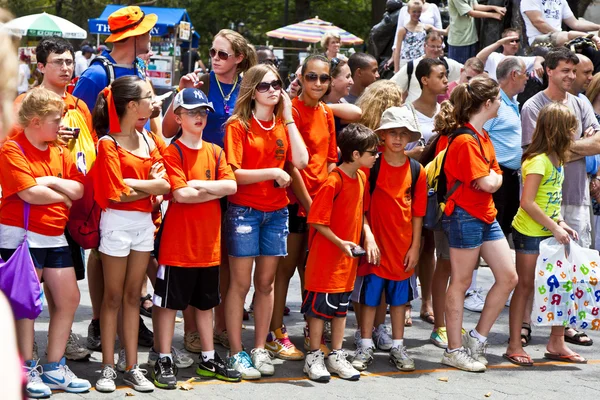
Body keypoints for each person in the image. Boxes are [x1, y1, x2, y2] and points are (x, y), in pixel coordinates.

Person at [163, 29, 257, 352]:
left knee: (223, 260)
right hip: (196, 170)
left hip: (234, 177)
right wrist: (181, 92)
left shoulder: (249, 86)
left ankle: (218, 327)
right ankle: (191, 330)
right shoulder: (199, 82)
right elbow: (167, 129)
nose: (214, 59)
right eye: (213, 53)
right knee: (192, 259)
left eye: (222, 54)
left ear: (239, 59)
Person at [73, 5, 159, 353]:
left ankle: (130, 318)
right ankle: (98, 320)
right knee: (99, 248)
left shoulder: (136, 68)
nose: (152, 36)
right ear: (133, 37)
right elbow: (79, 121)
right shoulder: (97, 73)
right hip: (109, 174)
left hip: (140, 169)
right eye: (147, 31)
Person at [0, 88, 90, 396]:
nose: (61, 123)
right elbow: (28, 193)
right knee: (25, 306)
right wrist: (59, 193)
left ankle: (54, 367)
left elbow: (78, 190)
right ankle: (25, 368)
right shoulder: (11, 149)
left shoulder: (58, 149)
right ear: (37, 121)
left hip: (54, 236)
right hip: (22, 237)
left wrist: (50, 182)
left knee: (68, 299)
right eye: (56, 118)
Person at [11, 37, 96, 363]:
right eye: (58, 62)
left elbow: (87, 154)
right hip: (33, 212)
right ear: (41, 66)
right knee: (29, 287)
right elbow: (15, 150)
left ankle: (59, 344)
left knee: (67, 283)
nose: (66, 67)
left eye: (69, 61)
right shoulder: (25, 104)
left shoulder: (79, 106)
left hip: (73, 206)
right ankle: (25, 350)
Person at [224, 64, 309, 378]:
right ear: (251, 90)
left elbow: (301, 160)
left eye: (277, 84)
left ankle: (259, 347)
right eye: (264, 86)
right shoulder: (238, 124)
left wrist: (287, 116)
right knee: (240, 284)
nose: (273, 90)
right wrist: (272, 172)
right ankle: (236, 351)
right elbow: (233, 174)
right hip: (244, 212)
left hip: (276, 213)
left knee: (266, 284)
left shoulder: (283, 123)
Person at [151, 88, 239, 388]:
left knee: (205, 304)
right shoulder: (172, 151)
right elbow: (181, 194)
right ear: (178, 117)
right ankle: (163, 356)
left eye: (202, 111)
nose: (199, 117)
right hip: (177, 244)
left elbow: (231, 187)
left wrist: (200, 184)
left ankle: (208, 356)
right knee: (167, 305)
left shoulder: (215, 151)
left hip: (209, 246)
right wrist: (207, 188)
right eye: (191, 112)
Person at [92, 76, 170, 393]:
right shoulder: (107, 142)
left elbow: (165, 185)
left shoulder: (149, 139)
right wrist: (147, 188)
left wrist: (134, 185)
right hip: (115, 224)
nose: (154, 102)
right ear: (132, 105)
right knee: (112, 297)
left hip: (142, 227)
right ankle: (108, 367)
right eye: (148, 97)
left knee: (132, 297)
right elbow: (114, 194)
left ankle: (131, 366)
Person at [521, 47, 600, 346]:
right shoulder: (532, 106)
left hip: (577, 195)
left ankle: (565, 327)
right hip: (542, 201)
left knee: (572, 267)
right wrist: (580, 145)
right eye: (564, 70)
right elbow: (536, 153)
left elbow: (597, 142)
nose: (570, 75)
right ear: (549, 71)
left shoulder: (581, 103)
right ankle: (525, 322)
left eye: (573, 70)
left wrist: (566, 148)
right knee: (532, 267)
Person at [440, 76, 518, 372]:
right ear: (487, 104)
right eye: (498, 99)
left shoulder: (481, 136)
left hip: (484, 215)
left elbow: (494, 175)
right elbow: (488, 181)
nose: (501, 104)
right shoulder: (465, 139)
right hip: (465, 215)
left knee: (508, 276)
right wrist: (493, 180)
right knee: (460, 281)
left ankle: (476, 338)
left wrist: (492, 180)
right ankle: (454, 349)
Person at [268, 54, 337, 360]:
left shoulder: (327, 112)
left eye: (324, 78)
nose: (318, 83)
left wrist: (326, 200)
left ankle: (312, 328)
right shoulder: (289, 111)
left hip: (321, 204)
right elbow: (290, 164)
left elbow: (331, 158)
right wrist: (311, 206)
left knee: (313, 271)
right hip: (296, 204)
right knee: (284, 269)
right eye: (312, 77)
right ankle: (275, 331)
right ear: (302, 77)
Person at [506, 102, 585, 366]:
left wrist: (561, 221)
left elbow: (551, 199)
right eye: (571, 129)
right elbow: (527, 202)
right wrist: (554, 227)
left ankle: (556, 342)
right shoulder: (537, 160)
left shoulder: (558, 159)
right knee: (525, 288)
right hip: (529, 233)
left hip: (550, 232)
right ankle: (514, 344)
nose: (574, 133)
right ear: (558, 130)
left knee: (562, 286)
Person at [350, 106, 427, 373]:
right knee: (369, 298)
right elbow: (362, 207)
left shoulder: (417, 170)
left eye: (403, 134)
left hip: (403, 247)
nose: (397, 138)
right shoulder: (372, 166)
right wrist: (368, 236)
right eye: (392, 132)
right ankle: (365, 343)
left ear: (410, 138)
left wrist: (415, 246)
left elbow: (418, 213)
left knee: (399, 301)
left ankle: (397, 345)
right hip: (375, 248)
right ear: (382, 135)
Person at [302, 123, 379, 382]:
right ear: (355, 155)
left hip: (346, 263)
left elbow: (361, 213)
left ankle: (336, 354)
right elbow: (316, 220)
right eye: (372, 152)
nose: (376, 156)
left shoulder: (361, 177)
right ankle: (313, 356)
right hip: (326, 262)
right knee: (318, 311)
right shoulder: (333, 181)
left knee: (340, 309)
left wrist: (366, 236)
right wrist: (341, 243)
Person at [352, 79, 404, 347]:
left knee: (373, 279)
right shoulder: (371, 153)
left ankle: (373, 328)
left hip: (381, 222)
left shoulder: (381, 150)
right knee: (368, 279)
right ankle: (369, 329)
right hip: (369, 222)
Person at [406, 58, 449, 331]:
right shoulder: (407, 111)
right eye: (440, 76)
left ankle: (427, 302)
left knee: (430, 246)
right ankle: (406, 303)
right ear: (424, 80)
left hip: (435, 187)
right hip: (411, 183)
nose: (445, 80)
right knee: (412, 244)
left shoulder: (446, 111)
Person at [391, 31, 463, 103]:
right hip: (413, 110)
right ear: (425, 45)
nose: (435, 50)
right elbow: (392, 86)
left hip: (439, 110)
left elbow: (466, 70)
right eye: (432, 46)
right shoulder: (411, 66)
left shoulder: (447, 64)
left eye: (438, 47)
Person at [520, 0, 600, 50]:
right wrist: (561, 35)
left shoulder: (561, 1)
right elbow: (539, 23)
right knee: (569, 36)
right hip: (538, 40)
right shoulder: (529, 0)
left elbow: (575, 23)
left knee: (590, 50)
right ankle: (593, 38)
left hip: (561, 38)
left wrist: (598, 26)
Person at [447, 0, 505, 64]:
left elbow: (475, 6)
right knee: (460, 69)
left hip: (471, 37)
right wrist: (493, 15)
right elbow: (470, 12)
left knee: (472, 67)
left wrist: (494, 7)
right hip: (459, 41)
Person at [476, 28, 544, 82]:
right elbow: (479, 58)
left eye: (517, 41)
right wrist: (498, 43)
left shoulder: (520, 60)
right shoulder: (494, 56)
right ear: (503, 42)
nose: (514, 43)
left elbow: (540, 57)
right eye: (511, 40)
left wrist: (537, 63)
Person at [393, 1, 429, 72]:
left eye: (419, 12)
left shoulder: (425, 27)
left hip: (421, 61)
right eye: (414, 12)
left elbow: (444, 32)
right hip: (406, 61)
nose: (417, 14)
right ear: (409, 11)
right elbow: (397, 51)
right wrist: (396, 69)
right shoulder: (403, 30)